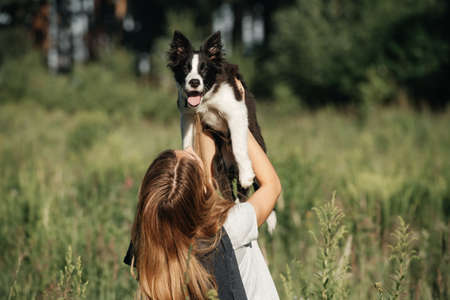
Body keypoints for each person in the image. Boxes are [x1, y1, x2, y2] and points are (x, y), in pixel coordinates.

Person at [127, 84, 281, 299]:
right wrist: (236, 114)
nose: (191, 148)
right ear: (199, 193)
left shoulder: (150, 242)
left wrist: (200, 107)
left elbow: (206, 184)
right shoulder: (230, 226)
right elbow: (271, 186)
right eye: (190, 155)